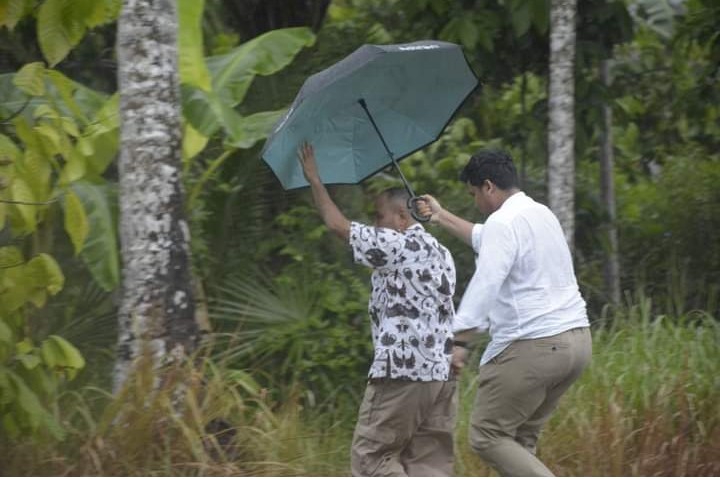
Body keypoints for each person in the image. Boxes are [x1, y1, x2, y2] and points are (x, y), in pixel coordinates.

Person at [418, 149, 592, 477]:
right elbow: (483, 236)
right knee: (520, 441)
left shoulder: (502, 222)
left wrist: (461, 340)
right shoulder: (539, 213)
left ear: (488, 186)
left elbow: (485, 283)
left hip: (535, 347)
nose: (475, 203)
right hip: (577, 344)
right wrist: (440, 216)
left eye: (473, 194)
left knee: (488, 436)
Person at [297, 142, 459, 477]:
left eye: (378, 216)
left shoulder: (397, 244)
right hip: (440, 375)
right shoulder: (443, 253)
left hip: (403, 372)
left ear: (402, 217)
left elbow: (337, 225)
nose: (374, 224)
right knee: (429, 464)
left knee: (373, 457)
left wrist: (315, 180)